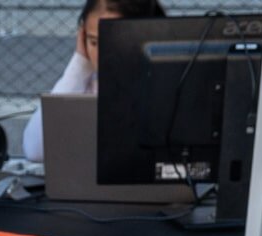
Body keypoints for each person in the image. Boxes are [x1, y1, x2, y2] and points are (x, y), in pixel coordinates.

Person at [22, 0, 166, 165]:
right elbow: (35, 150)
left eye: (116, 40)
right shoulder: (82, 85)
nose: (104, 52)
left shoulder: (166, 83)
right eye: (94, 42)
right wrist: (79, 64)